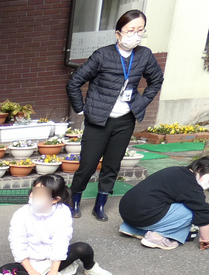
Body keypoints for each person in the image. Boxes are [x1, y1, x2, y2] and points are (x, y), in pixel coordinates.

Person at [65, 9, 164, 221]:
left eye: (140, 30)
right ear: (118, 33)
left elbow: (156, 80)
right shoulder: (102, 55)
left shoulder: (144, 55)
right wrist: (82, 109)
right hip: (98, 121)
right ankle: (74, 200)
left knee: (112, 164)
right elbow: (74, 83)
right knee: (88, 164)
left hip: (125, 120)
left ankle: (100, 205)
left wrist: (141, 102)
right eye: (130, 30)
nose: (135, 35)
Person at [0, 174, 114, 275]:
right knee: (4, 270)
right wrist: (31, 271)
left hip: (56, 261)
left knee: (83, 248)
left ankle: (90, 268)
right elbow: (17, 243)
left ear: (55, 199)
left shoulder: (63, 212)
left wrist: (53, 270)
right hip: (31, 262)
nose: (33, 196)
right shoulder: (21, 214)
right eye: (34, 191)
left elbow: (61, 241)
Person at [119, 157, 209, 250]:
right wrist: (205, 239)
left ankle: (132, 229)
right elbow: (203, 213)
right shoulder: (192, 186)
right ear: (199, 169)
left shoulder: (176, 170)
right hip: (145, 215)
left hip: (126, 211)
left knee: (178, 204)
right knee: (191, 212)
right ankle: (156, 238)